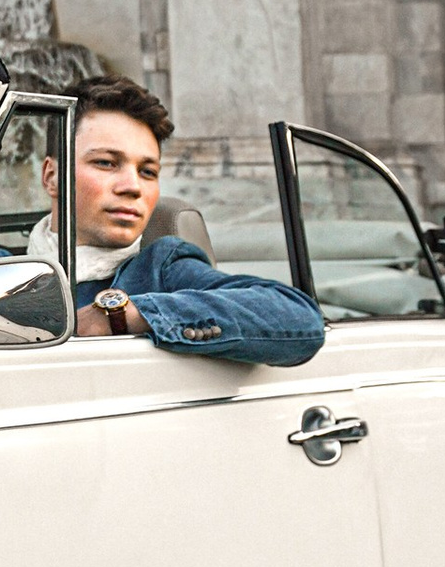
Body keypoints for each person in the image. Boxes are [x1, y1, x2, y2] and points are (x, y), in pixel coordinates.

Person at [32, 76, 325, 365]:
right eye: (106, 163)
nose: (133, 186)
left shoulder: (160, 269)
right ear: (51, 176)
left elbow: (300, 318)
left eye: (148, 171)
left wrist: (123, 315)